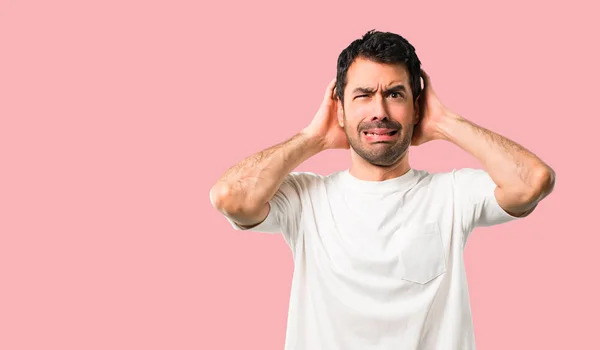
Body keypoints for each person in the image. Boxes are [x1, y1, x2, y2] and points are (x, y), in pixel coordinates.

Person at [209, 30, 555, 350]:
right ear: (339, 109)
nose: (380, 111)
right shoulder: (306, 199)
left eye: (394, 94)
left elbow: (532, 182)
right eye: (363, 96)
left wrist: (446, 124)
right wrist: (311, 138)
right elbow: (230, 198)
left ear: (416, 107)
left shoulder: (451, 194)